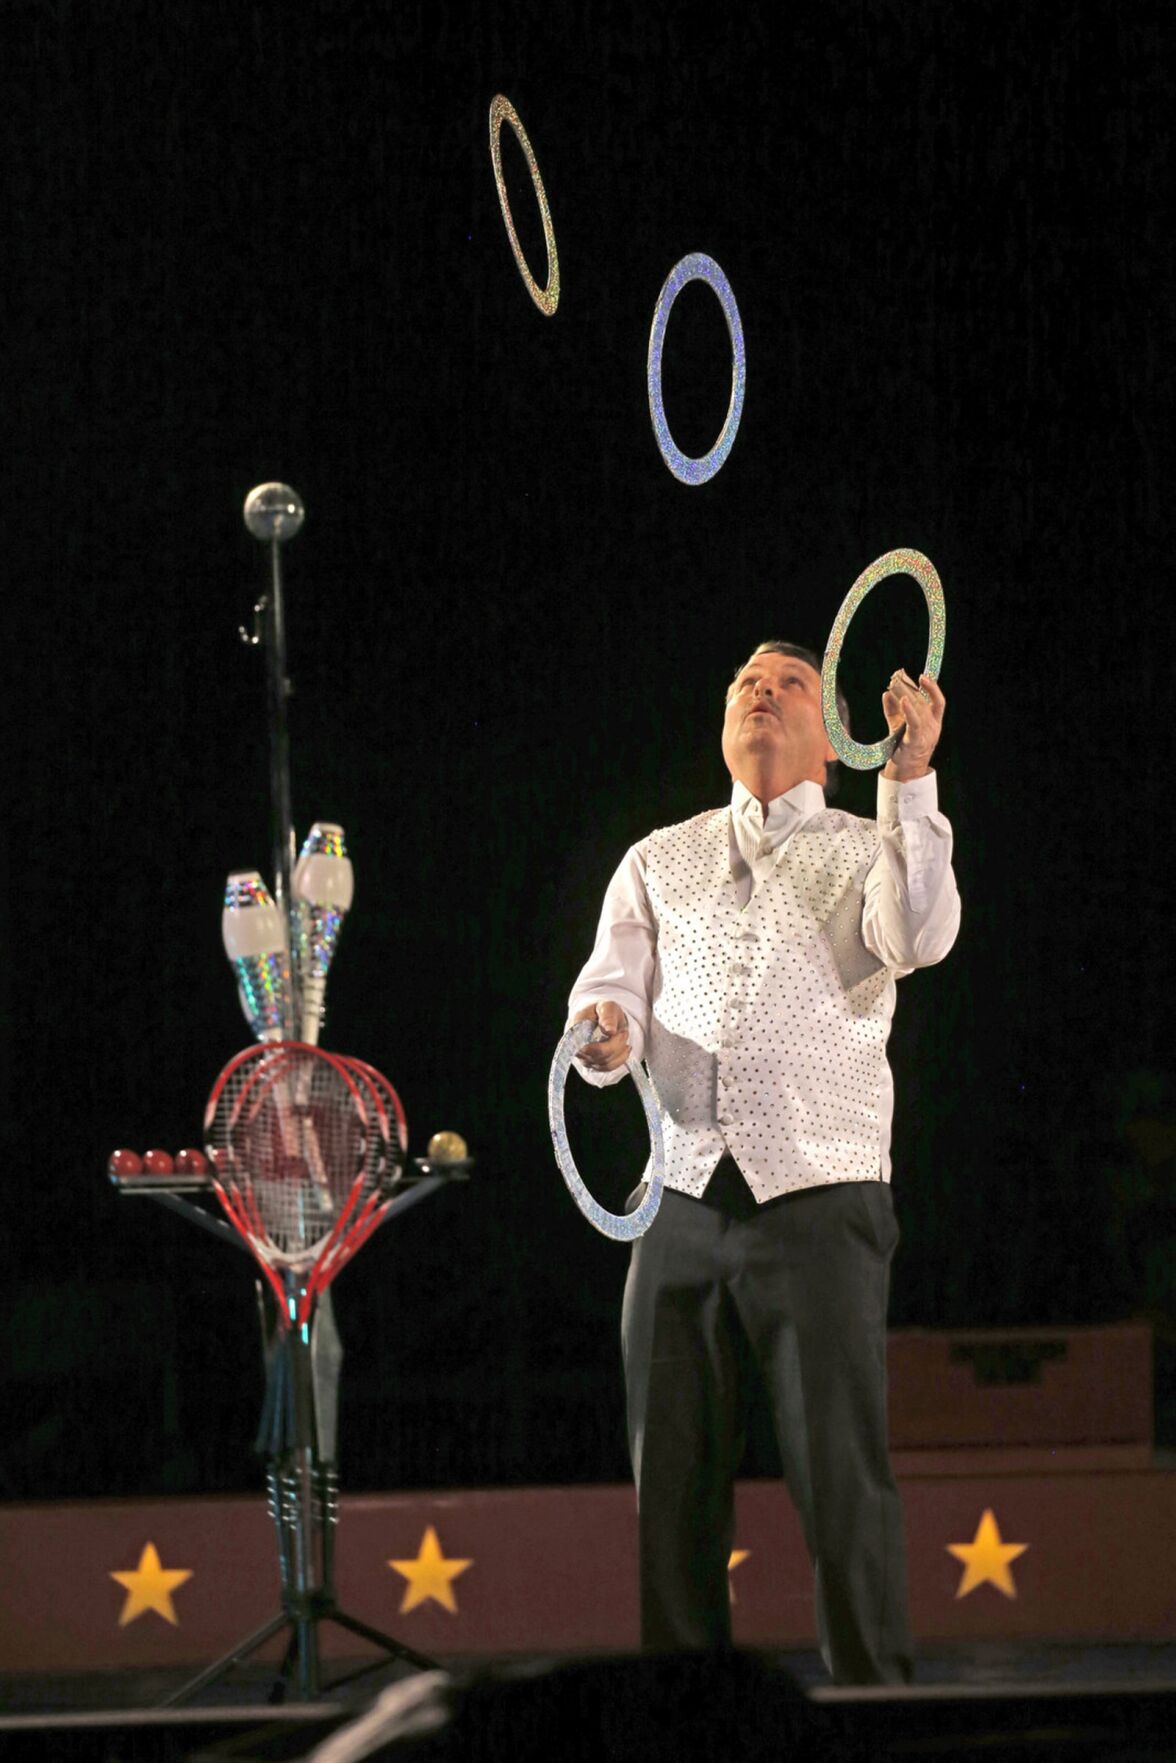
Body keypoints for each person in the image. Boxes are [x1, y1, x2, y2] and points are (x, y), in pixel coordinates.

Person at [566, 640, 960, 1685]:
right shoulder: (660, 855)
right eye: (743, 680)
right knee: (674, 1489)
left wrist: (911, 782)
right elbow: (610, 987)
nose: (758, 691)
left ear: (833, 738)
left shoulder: (868, 841)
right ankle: (680, 1720)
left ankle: (876, 1698)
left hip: (820, 1193)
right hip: (682, 1197)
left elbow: (920, 931)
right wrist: (605, 1033)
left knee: (840, 1478)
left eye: (787, 683)